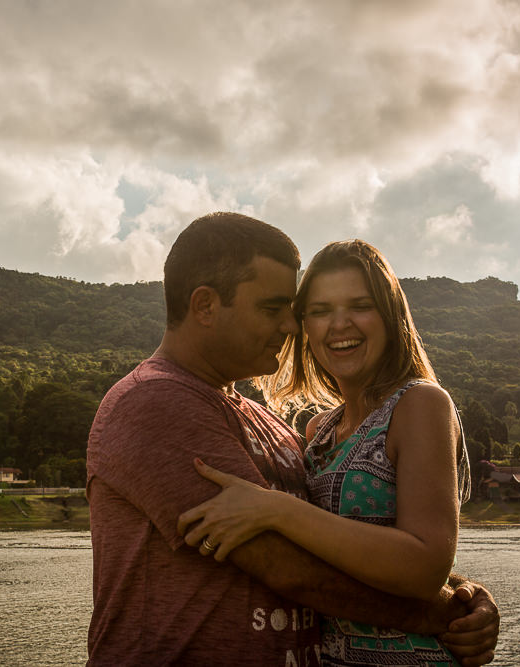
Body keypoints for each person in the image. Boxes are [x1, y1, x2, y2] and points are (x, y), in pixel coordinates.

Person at [86, 213, 499, 666]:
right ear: (204, 306)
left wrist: (459, 590)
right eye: (274, 308)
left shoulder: (276, 424)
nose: (291, 326)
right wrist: (443, 614)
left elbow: (353, 541)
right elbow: (290, 567)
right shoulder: (156, 402)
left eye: (292, 310)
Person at [177, 239, 476, 665]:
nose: (339, 324)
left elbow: (427, 567)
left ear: (390, 317)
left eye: (360, 305)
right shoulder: (318, 431)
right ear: (304, 327)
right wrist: (467, 592)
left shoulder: (420, 404)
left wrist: (277, 510)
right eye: (320, 311)